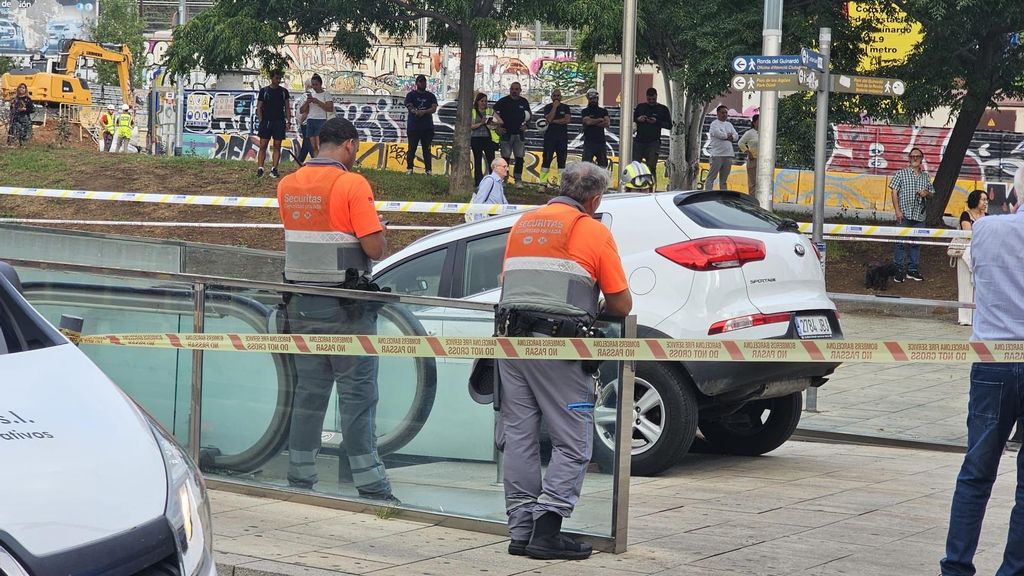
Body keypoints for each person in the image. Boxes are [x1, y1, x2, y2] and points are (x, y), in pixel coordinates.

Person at [496, 161, 632, 560]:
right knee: (573, 440)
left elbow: (508, 282)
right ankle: (548, 527)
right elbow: (622, 304)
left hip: (510, 344)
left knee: (519, 437)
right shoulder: (592, 230)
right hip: (559, 348)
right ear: (595, 199)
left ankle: (521, 532)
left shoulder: (525, 223)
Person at [276, 116, 397, 503]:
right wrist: (379, 230)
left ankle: (300, 476)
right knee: (357, 394)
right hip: (346, 310)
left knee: (308, 393)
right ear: (348, 144)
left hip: (299, 305)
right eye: (356, 148)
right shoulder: (351, 183)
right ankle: (371, 485)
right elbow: (374, 249)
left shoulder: (288, 184)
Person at [939, 207, 1024, 576]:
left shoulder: (987, 228)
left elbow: (975, 269)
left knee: (976, 473)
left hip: (992, 362)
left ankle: (956, 567)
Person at [890, 147, 933, 282]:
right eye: (913, 156)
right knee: (900, 242)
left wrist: (926, 193)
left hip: (919, 216)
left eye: (918, 156)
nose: (915, 158)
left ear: (921, 159)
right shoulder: (901, 174)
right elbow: (894, 192)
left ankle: (912, 269)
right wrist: (897, 210)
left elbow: (932, 194)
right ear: (909, 158)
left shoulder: (926, 177)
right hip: (904, 214)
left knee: (916, 242)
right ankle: (898, 269)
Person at [955, 190, 986, 326]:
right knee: (965, 284)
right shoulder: (966, 215)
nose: (985, 203)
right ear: (975, 200)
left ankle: (977, 317)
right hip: (966, 253)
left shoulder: (988, 217)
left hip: (983, 253)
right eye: (983, 200)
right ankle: (964, 317)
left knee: (979, 286)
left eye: (986, 200)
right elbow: (969, 233)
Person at [632, 87, 671, 189]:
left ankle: (651, 188)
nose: (651, 101)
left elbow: (669, 125)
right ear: (646, 97)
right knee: (635, 166)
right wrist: (638, 119)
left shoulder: (662, 109)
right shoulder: (641, 107)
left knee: (651, 167)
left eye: (653, 99)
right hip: (639, 141)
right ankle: (635, 187)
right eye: (649, 99)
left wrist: (656, 122)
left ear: (656, 96)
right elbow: (631, 119)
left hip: (653, 142)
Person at [493, 82, 531, 184]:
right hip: (506, 134)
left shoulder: (524, 102)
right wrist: (497, 127)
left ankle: (518, 179)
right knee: (505, 159)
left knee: (519, 157)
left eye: (516, 89)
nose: (514, 91)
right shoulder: (503, 101)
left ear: (520, 90)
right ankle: (503, 179)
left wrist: (526, 125)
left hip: (519, 135)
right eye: (512, 89)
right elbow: (493, 113)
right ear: (510, 89)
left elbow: (529, 116)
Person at [256, 70, 292, 178]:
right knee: (263, 146)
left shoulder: (284, 92)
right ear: (271, 78)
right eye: (276, 78)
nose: (278, 80)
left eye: (279, 78)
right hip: (266, 122)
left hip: (279, 122)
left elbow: (287, 107)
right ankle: (260, 168)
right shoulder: (264, 91)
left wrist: (288, 121)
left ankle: (274, 169)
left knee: (277, 146)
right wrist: (261, 119)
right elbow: (259, 106)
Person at [404, 74, 438, 175]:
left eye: (424, 82)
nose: (423, 84)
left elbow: (434, 108)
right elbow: (409, 106)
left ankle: (428, 170)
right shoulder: (411, 95)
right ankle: (410, 168)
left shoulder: (430, 96)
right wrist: (416, 112)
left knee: (426, 150)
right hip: (413, 127)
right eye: (420, 82)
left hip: (427, 128)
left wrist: (424, 112)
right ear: (416, 83)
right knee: (411, 149)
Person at [539, 89, 571, 188]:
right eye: (554, 96)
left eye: (558, 96)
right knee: (546, 160)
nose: (556, 97)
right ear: (552, 97)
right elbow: (548, 119)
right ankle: (543, 183)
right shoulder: (548, 107)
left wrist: (553, 121)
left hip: (562, 138)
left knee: (561, 161)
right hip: (550, 138)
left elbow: (567, 120)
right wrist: (554, 107)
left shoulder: (565, 107)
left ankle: (562, 185)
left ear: (561, 97)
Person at [300, 73, 333, 158]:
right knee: (313, 146)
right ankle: (316, 161)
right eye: (313, 85)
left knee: (320, 145)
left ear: (320, 84)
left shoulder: (326, 94)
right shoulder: (311, 95)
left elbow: (330, 108)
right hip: (310, 120)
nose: (314, 87)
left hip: (321, 120)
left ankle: (322, 161)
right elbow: (302, 110)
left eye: (316, 85)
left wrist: (317, 101)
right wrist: (307, 102)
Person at [705, 104, 738, 190]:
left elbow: (736, 136)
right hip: (717, 155)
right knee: (711, 177)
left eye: (726, 113)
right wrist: (728, 136)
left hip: (728, 155)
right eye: (722, 112)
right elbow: (719, 134)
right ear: (718, 113)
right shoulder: (714, 124)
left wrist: (730, 136)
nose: (725, 114)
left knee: (724, 180)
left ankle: (723, 197)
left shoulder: (729, 124)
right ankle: (708, 195)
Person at [465, 158, 509, 223]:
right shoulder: (489, 181)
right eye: (504, 166)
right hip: (489, 220)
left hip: (496, 219)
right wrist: (478, 223)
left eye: (507, 167)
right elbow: (478, 202)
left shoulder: (498, 183)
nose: (507, 169)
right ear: (495, 167)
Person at [470, 93, 497, 186]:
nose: (484, 103)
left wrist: (492, 121)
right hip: (476, 138)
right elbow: (471, 126)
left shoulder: (489, 110)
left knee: (491, 159)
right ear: (477, 102)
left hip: (487, 138)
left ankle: (492, 180)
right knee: (478, 160)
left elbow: (500, 121)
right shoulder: (473, 111)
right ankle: (478, 182)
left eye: (485, 101)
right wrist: (481, 123)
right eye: (482, 101)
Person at [579, 89, 610, 168]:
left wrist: (593, 122)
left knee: (603, 166)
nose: (593, 100)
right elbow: (587, 122)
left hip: (601, 142)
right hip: (589, 142)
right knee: (585, 166)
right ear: (588, 99)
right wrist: (599, 120)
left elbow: (607, 123)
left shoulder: (603, 111)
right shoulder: (585, 111)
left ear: (597, 98)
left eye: (594, 98)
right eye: (591, 98)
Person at [737, 114, 760, 195]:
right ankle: (753, 202)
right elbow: (740, 143)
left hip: (763, 161)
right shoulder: (750, 133)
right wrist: (748, 152)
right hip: (753, 159)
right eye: (758, 121)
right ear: (754, 123)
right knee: (753, 183)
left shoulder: (766, 132)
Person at [294, 80, 312, 166]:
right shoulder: (308, 95)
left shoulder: (307, 96)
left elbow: (306, 110)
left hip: (305, 123)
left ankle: (315, 160)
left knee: (308, 142)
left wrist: (301, 121)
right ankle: (300, 160)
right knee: (306, 142)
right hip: (306, 123)